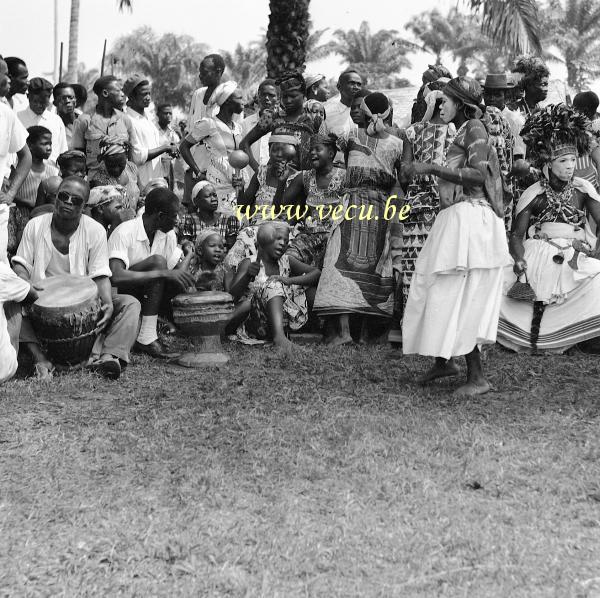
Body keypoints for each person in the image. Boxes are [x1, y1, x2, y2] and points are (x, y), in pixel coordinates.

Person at [402, 76, 511, 397]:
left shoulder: (474, 128)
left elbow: (479, 175)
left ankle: (477, 377)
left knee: (460, 293)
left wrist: (430, 169)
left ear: (461, 104)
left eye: (444, 101)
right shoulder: (463, 130)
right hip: (458, 217)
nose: (439, 106)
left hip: (471, 219)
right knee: (438, 287)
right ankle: (444, 360)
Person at [11, 176, 142, 380]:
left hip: (85, 303)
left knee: (129, 304)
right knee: (11, 304)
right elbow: (21, 264)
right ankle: (40, 359)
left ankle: (109, 357)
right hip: (39, 300)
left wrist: (106, 302)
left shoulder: (95, 230)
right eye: (64, 196)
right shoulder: (35, 225)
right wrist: (25, 284)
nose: (68, 202)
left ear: (84, 206)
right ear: (55, 198)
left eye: (76, 200)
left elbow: (100, 275)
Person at [498, 104, 600, 353]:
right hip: (539, 250)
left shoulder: (583, 189)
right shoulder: (534, 194)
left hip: (577, 251)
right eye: (563, 160)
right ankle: (542, 336)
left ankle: (582, 334)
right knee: (499, 281)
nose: (570, 166)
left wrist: (596, 251)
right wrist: (519, 259)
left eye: (573, 160)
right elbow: (517, 235)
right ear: (548, 163)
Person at [313, 92, 403, 345]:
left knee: (346, 264)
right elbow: (401, 180)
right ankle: (357, 334)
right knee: (360, 265)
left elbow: (323, 139)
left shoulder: (353, 136)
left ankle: (347, 333)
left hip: (357, 205)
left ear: (364, 112)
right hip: (378, 207)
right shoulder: (395, 141)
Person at [108, 187, 195, 358]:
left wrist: (189, 256)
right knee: (158, 262)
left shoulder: (168, 235)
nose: (177, 220)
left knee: (183, 283)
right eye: (174, 215)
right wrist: (162, 273)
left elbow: (175, 274)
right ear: (160, 215)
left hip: (150, 295)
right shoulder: (125, 232)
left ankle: (156, 324)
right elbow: (116, 277)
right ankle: (146, 336)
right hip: (123, 295)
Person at [399, 80, 456, 318]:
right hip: (445, 206)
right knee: (443, 264)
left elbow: (404, 172)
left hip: (417, 206)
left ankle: (413, 322)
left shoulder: (412, 132)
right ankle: (439, 321)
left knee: (415, 264)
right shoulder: (456, 132)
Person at [229, 221, 320, 351]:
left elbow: (316, 273)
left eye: (286, 240)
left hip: (287, 320)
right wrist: (247, 276)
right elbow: (233, 296)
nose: (283, 243)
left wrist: (290, 280)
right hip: (256, 322)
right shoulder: (249, 262)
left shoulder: (287, 261)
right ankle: (280, 339)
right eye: (278, 238)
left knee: (307, 288)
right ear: (265, 240)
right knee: (273, 284)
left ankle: (326, 329)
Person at [274, 134, 345, 269]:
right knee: (287, 259)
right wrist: (281, 183)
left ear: (331, 153)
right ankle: (315, 274)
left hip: (334, 237)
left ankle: (317, 274)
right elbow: (278, 208)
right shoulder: (304, 177)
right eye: (311, 150)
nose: (312, 152)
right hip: (308, 237)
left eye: (318, 149)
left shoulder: (343, 176)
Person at [179, 82, 246, 217]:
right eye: (240, 98)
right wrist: (198, 172)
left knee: (234, 224)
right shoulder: (209, 124)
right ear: (227, 101)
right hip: (216, 186)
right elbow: (184, 146)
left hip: (236, 187)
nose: (244, 102)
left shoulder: (238, 128)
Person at [240, 71, 319, 172]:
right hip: (273, 184)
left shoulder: (314, 120)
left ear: (304, 96)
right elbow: (244, 144)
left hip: (303, 183)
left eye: (293, 96)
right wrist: (259, 172)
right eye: (285, 96)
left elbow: (324, 152)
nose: (288, 101)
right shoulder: (271, 118)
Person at [71, 76, 142, 180]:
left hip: (124, 183)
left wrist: (137, 184)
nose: (123, 94)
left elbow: (132, 156)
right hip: (95, 184)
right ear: (105, 93)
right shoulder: (84, 121)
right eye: (119, 91)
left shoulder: (125, 119)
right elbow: (78, 158)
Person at [0, 56, 32, 265]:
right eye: (5, 73)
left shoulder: (6, 114)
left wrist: (10, 193)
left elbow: (25, 156)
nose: (9, 78)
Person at [123, 75, 178, 188]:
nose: (148, 97)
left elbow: (152, 147)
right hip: (141, 183)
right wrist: (165, 147)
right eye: (144, 94)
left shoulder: (148, 118)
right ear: (132, 97)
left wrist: (169, 149)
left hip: (156, 180)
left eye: (149, 93)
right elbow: (137, 157)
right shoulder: (129, 120)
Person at [185, 54, 226, 203]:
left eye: (205, 72)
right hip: (195, 162)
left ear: (218, 72)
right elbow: (190, 128)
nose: (200, 75)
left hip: (218, 166)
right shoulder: (198, 94)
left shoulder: (227, 96)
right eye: (200, 71)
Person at [0, 262, 38, 384]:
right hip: (3, 370)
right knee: (16, 298)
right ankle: (12, 357)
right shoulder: (3, 272)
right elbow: (33, 295)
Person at [18, 78, 68, 164]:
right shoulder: (17, 119)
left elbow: (63, 152)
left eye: (43, 102)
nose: (39, 105)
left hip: (52, 173)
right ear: (28, 96)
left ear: (49, 99)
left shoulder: (56, 121)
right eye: (35, 101)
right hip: (23, 174)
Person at [179, 180, 240, 250]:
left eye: (215, 195)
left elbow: (231, 251)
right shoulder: (188, 220)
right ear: (196, 201)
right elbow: (186, 248)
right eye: (208, 196)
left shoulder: (229, 220)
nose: (214, 199)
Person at [240, 79, 278, 175]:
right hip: (251, 178)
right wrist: (258, 171)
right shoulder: (245, 123)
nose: (266, 98)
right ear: (258, 96)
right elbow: (241, 150)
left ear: (278, 98)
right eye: (263, 94)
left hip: (274, 180)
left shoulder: (282, 123)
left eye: (271, 95)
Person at [90, 142, 140, 211]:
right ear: (104, 161)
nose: (116, 169)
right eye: (111, 166)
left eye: (120, 164)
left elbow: (138, 192)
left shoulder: (132, 168)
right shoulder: (99, 181)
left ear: (126, 157)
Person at [321, 69, 363, 140]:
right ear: (339, 87)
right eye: (352, 83)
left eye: (359, 84)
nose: (356, 87)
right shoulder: (326, 114)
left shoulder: (367, 113)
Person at [572, 91, 600, 188]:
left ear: (585, 111)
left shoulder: (588, 133)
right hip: (576, 186)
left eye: (574, 108)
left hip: (589, 186)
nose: (571, 111)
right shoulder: (576, 130)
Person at [155, 103, 181, 189]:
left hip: (170, 167)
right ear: (158, 114)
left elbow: (178, 149)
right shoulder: (153, 130)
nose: (168, 116)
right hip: (156, 166)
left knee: (170, 191)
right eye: (165, 113)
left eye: (170, 113)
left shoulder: (173, 132)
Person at [52, 82, 78, 146]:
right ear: (55, 103)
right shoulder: (52, 124)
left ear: (75, 100)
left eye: (71, 97)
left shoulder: (86, 122)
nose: (67, 101)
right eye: (63, 98)